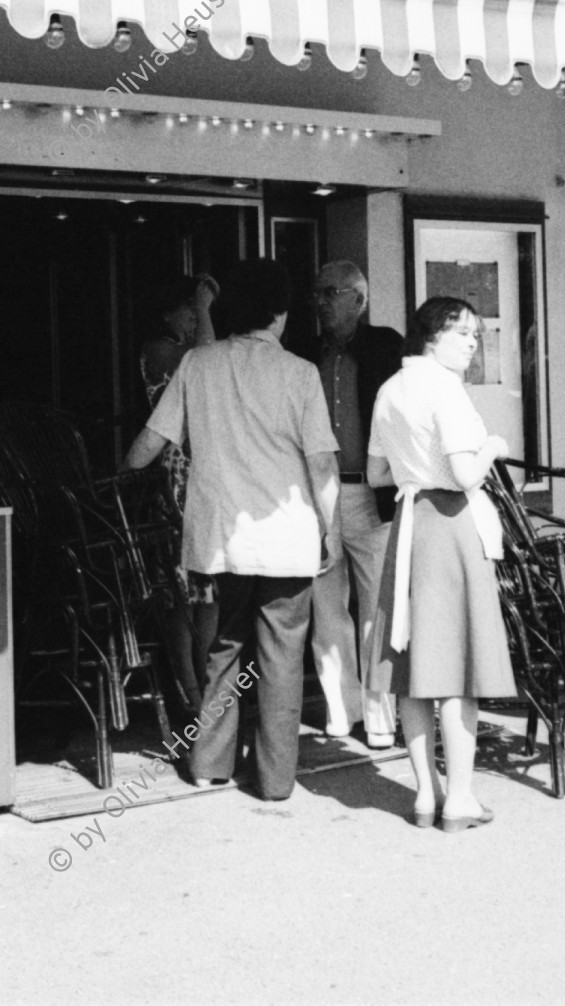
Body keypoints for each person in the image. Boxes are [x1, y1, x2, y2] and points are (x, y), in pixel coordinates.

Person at [122, 259, 340, 801]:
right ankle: (273, 779)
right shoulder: (300, 374)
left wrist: (121, 473)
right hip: (287, 539)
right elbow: (322, 467)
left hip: (220, 537)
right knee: (281, 657)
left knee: (224, 646)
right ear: (282, 313)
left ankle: (208, 763)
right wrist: (328, 530)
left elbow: (150, 443)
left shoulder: (198, 364)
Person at [365, 297, 515, 831]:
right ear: (432, 336)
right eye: (462, 334)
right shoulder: (444, 390)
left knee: (412, 669)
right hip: (450, 524)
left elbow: (376, 472)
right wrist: (493, 446)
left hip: (409, 526)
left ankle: (425, 795)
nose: (473, 343)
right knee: (456, 671)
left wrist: (414, 467)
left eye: (476, 335)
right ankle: (462, 798)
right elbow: (463, 475)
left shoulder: (389, 389)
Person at [298, 261, 404, 748]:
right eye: (316, 292)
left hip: (371, 493)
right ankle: (343, 712)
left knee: (377, 609)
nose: (319, 300)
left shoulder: (385, 346)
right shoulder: (301, 352)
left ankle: (382, 718)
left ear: (359, 300)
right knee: (326, 608)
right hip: (318, 492)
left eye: (330, 292)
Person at [136, 273, 218, 716]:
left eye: (196, 309)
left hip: (202, 473)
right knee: (179, 587)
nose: (193, 316)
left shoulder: (178, 349)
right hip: (176, 476)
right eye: (187, 308)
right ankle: (188, 685)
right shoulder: (159, 350)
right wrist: (206, 309)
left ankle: (204, 678)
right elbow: (204, 363)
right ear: (168, 311)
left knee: (206, 586)